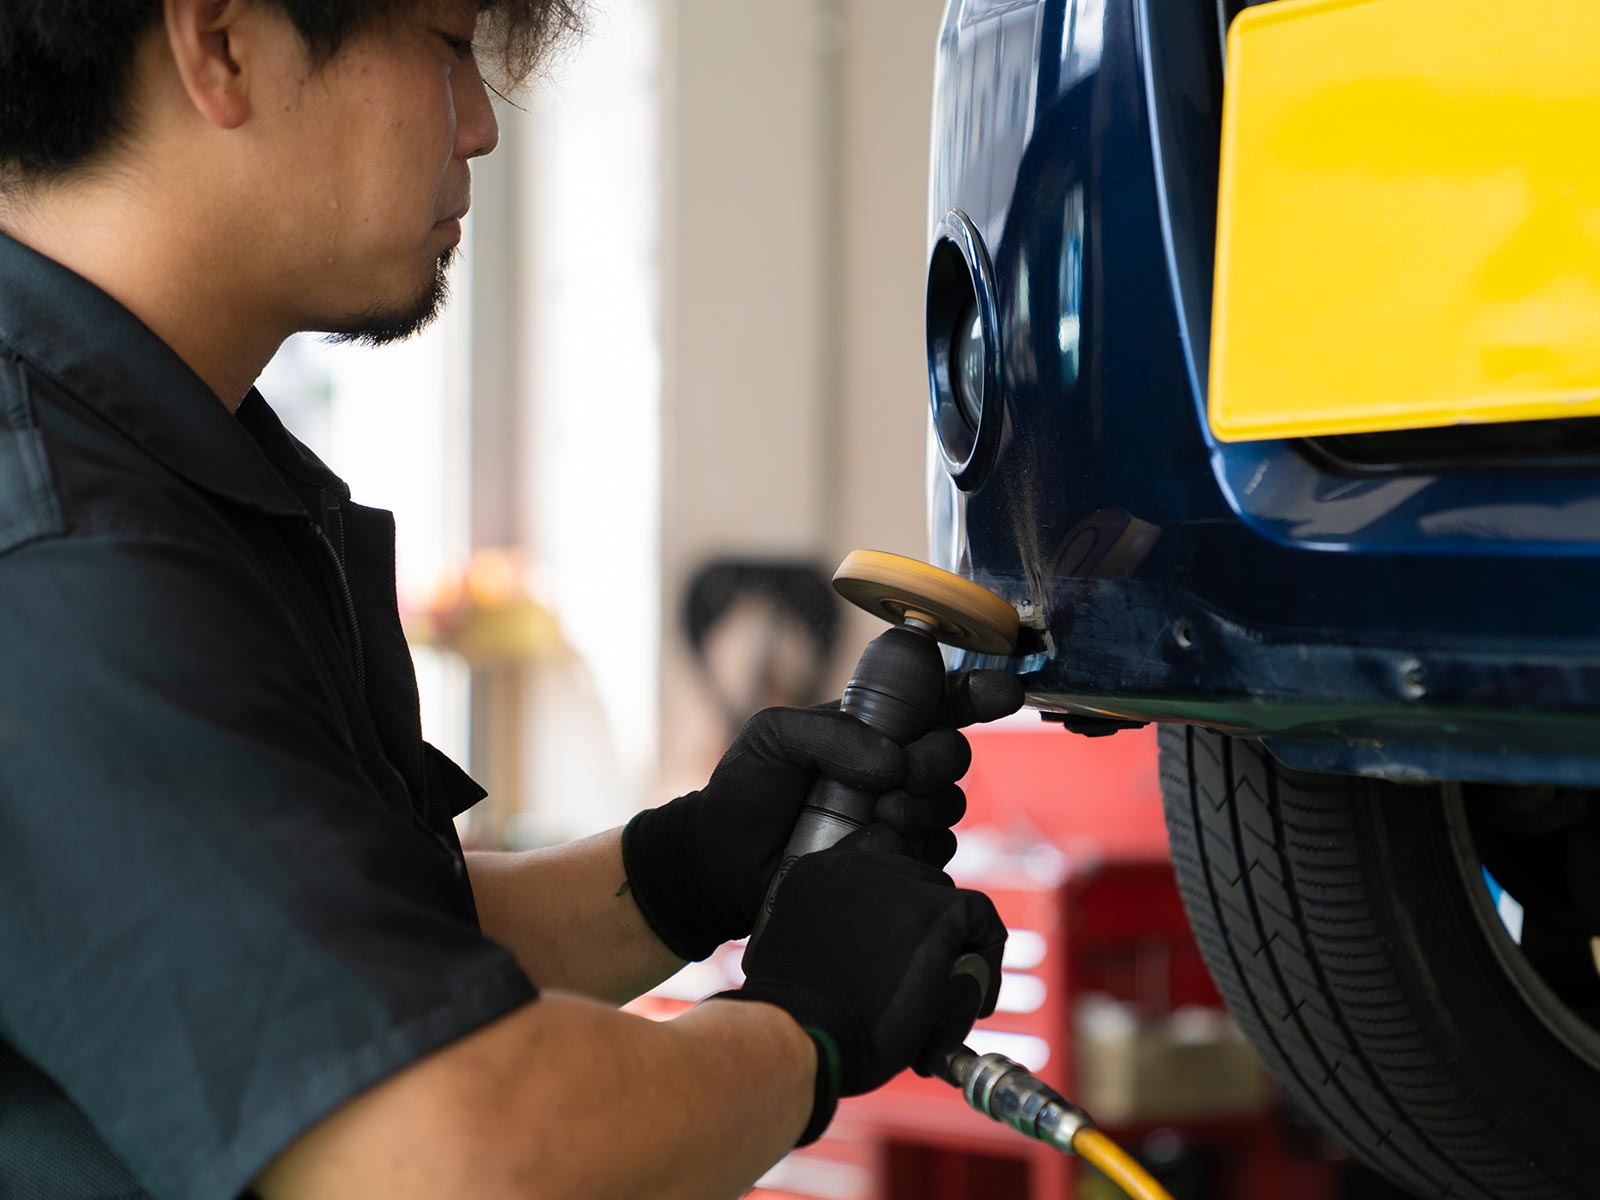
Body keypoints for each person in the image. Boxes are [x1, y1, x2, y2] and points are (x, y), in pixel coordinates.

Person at [0, 2, 1023, 1197]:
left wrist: (678, 870)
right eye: (445, 44)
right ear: (222, 43)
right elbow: (447, 1151)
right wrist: (804, 1024)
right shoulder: (62, 551)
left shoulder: (163, 465)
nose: (479, 124)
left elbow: (340, 962)